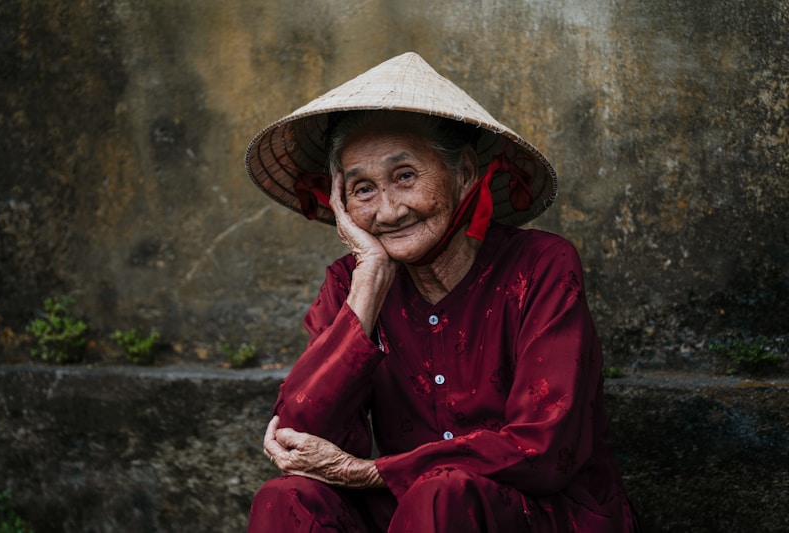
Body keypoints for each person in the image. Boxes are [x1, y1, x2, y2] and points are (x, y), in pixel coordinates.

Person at [244, 52, 638, 532]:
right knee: (286, 499)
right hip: (407, 511)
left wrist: (370, 473)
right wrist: (369, 279)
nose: (388, 212)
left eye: (405, 176)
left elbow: (544, 447)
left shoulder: (541, 266)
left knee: (443, 493)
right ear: (341, 203)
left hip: (535, 514)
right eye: (363, 190)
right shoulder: (350, 282)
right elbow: (301, 439)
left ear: (465, 173)